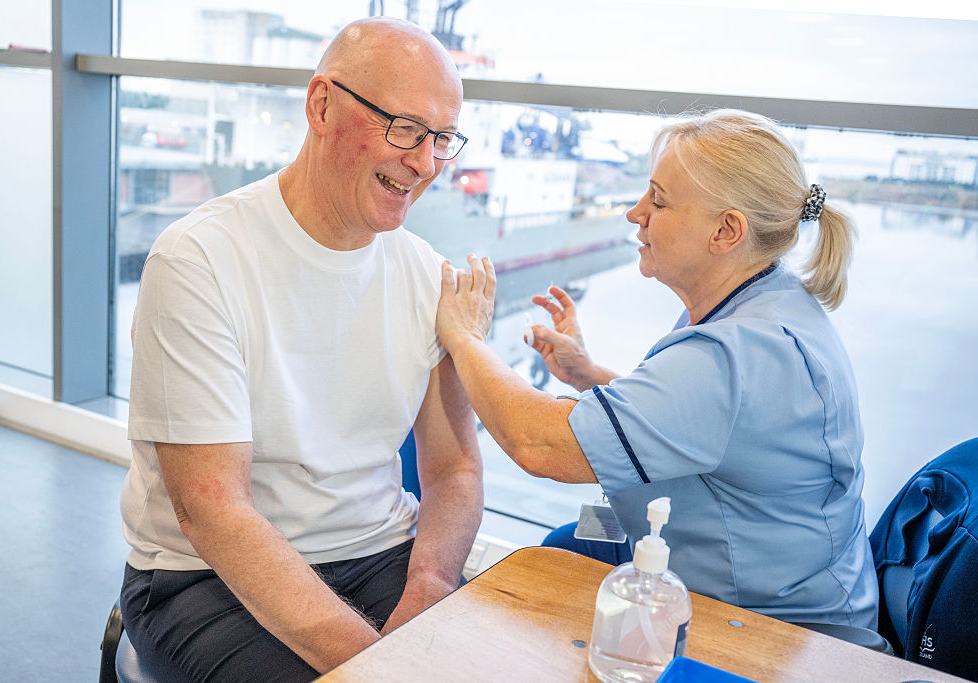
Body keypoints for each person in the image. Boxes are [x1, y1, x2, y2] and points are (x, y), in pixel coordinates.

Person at [119, 17, 484, 681]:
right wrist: (378, 668)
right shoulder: (199, 260)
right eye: (404, 128)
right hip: (200, 576)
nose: (426, 162)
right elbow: (213, 510)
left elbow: (455, 467)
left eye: (441, 138)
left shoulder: (426, 273)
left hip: (380, 551)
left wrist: (430, 587)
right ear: (321, 105)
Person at [436, 109, 879, 628]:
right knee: (563, 546)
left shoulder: (735, 356)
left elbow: (540, 446)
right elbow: (708, 427)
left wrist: (465, 336)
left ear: (726, 231)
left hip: (768, 632)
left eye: (659, 200)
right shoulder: (768, 305)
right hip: (763, 582)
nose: (634, 212)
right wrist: (588, 375)